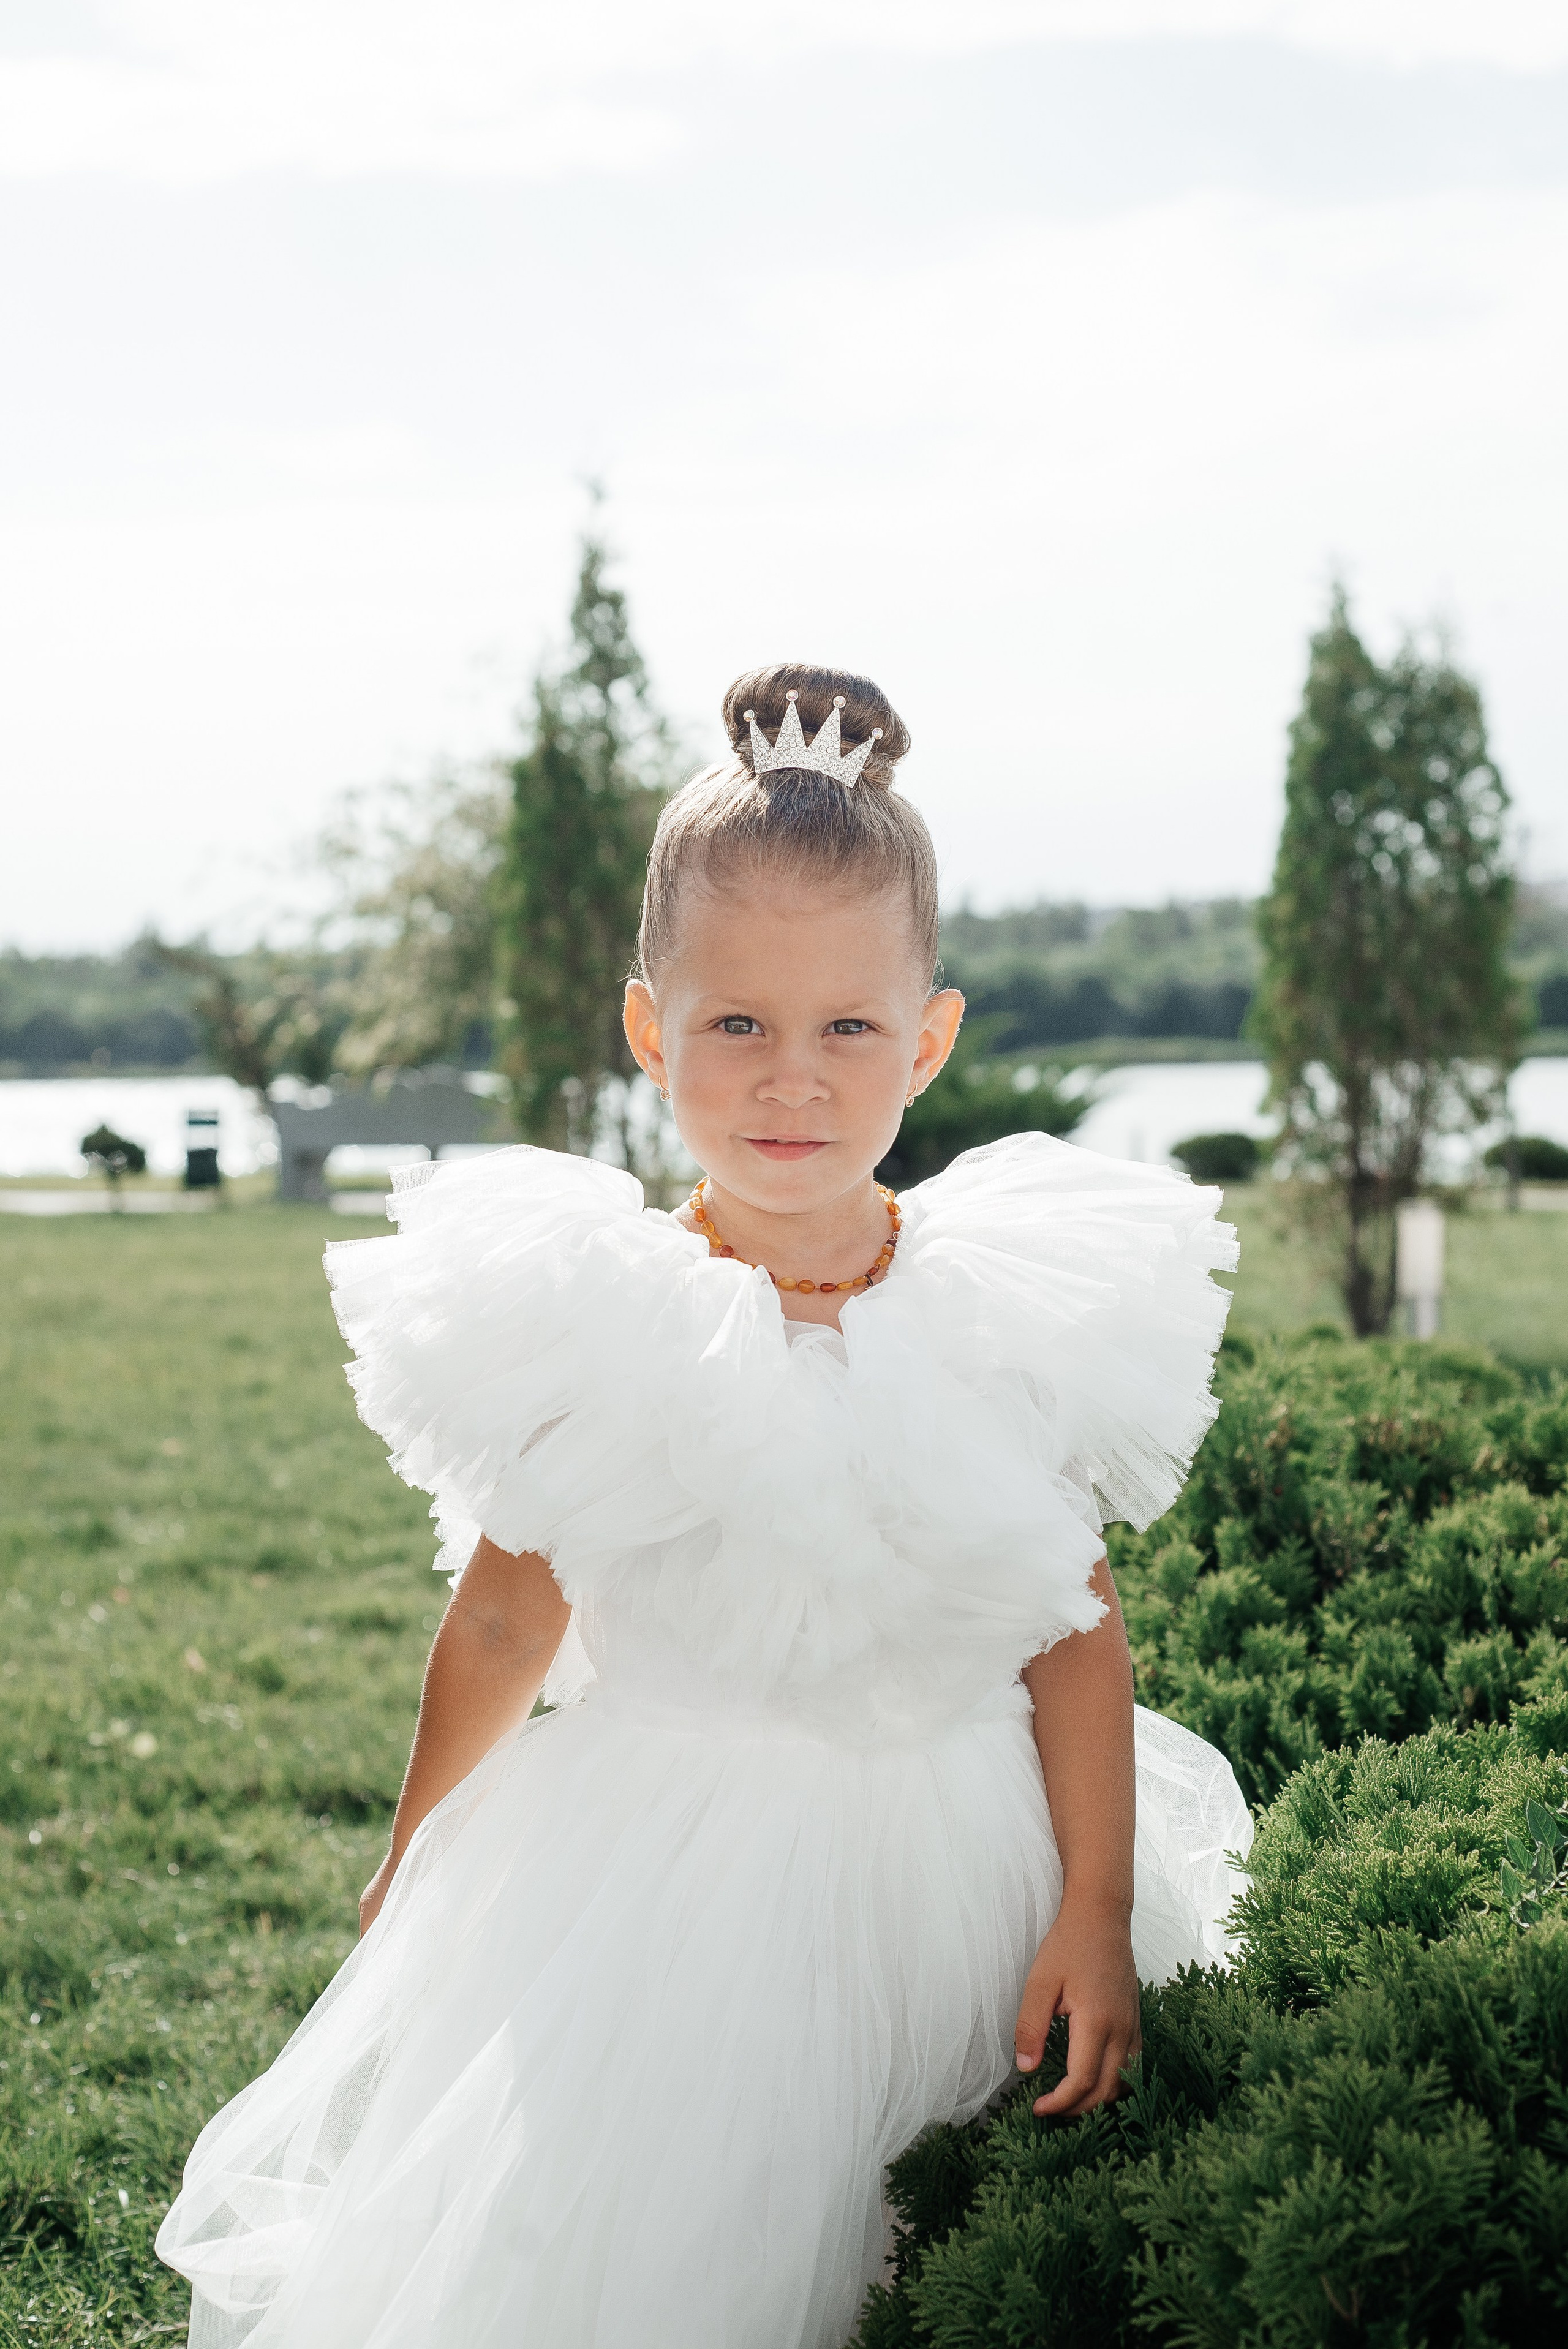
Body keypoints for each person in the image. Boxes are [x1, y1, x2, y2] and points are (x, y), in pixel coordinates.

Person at [157, 663, 1250, 2349]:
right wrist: (418, 1849)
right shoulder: (614, 1325)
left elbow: (1073, 1632)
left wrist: (1091, 1904)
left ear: (930, 1040)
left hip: (957, 1872)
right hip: (669, 1882)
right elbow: (508, 1618)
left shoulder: (997, 1321)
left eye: (848, 1029)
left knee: (924, 2244)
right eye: (737, 1024)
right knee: (677, 2250)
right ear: (652, 1029)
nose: (790, 1080)